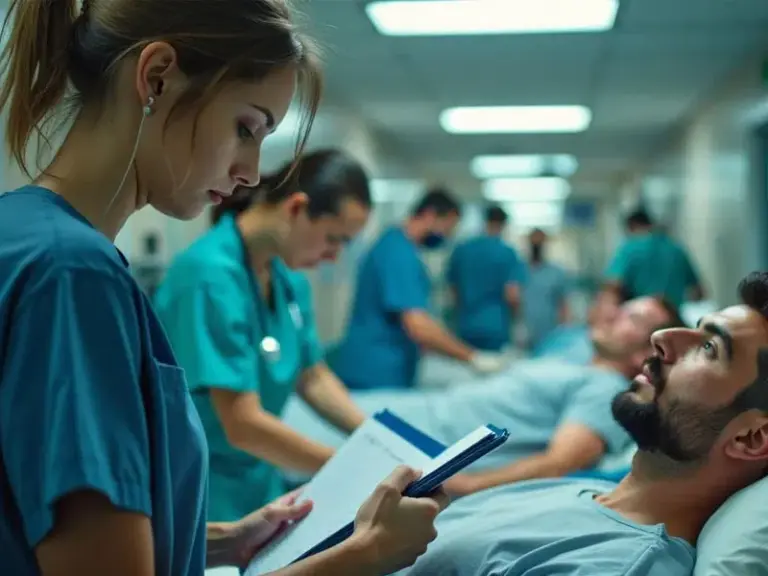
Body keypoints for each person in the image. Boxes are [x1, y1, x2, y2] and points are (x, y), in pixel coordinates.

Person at [0, 1, 447, 574]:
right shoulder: (74, 276)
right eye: (246, 128)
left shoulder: (27, 236)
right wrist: (365, 555)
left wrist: (221, 541)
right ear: (156, 77)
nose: (252, 173)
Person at [395, 271, 768, 576]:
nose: (661, 337)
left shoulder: (615, 564)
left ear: (751, 438)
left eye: (709, 348)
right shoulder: (579, 491)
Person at [154, 150, 374, 522]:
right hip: (203, 487)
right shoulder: (209, 277)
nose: (333, 256)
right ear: (296, 208)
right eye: (333, 239)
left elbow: (313, 376)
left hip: (258, 482)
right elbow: (242, 424)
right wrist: (351, 469)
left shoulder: (286, 279)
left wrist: (375, 437)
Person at [287, 296, 683, 495]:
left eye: (633, 318)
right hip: (411, 410)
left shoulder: (604, 391)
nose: (613, 314)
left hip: (416, 438)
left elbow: (559, 462)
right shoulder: (576, 364)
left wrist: (461, 485)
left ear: (643, 355)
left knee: (268, 441)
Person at [334, 189, 508, 391]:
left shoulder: (399, 247)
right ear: (430, 215)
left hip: (387, 368)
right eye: (447, 228)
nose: (446, 236)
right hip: (375, 373)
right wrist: (473, 357)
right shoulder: (397, 253)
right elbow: (418, 325)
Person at [446, 204, 525, 352]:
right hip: (496, 327)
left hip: (466, 325)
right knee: (493, 370)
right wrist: (517, 322)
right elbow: (512, 294)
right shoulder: (507, 253)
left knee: (467, 368)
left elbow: (453, 291)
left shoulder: (462, 250)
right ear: (503, 225)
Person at [604, 208, 705, 308]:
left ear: (632, 226)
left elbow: (613, 283)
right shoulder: (675, 248)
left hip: (641, 317)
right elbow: (698, 292)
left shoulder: (630, 248)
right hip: (674, 316)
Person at [521, 227, 573, 351]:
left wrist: (565, 331)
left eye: (540, 242)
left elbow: (564, 304)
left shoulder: (556, 273)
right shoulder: (519, 271)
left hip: (550, 332)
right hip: (522, 333)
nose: (537, 245)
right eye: (534, 241)